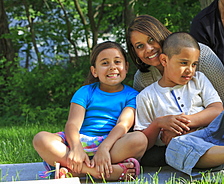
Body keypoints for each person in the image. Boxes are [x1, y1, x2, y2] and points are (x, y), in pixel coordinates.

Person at [33, 41, 147, 181]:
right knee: (41, 139)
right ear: (94, 71)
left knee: (140, 139)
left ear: (126, 67)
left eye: (117, 62)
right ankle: (99, 171)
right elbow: (73, 124)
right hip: (79, 141)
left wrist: (104, 148)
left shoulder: (132, 95)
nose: (112, 67)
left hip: (111, 145)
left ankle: (74, 170)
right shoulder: (85, 92)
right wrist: (75, 148)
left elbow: (123, 125)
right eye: (105, 63)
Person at [134, 32, 224, 166]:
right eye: (184, 63)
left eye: (194, 64)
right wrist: (159, 123)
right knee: (178, 149)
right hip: (180, 146)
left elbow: (217, 110)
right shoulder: (146, 96)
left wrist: (183, 124)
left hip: (212, 134)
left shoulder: (198, 79)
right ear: (164, 60)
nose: (190, 70)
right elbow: (143, 140)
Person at [126, 14, 224, 107]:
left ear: (160, 35)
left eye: (151, 39)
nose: (149, 49)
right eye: (139, 46)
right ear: (134, 51)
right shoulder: (142, 79)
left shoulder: (202, 56)